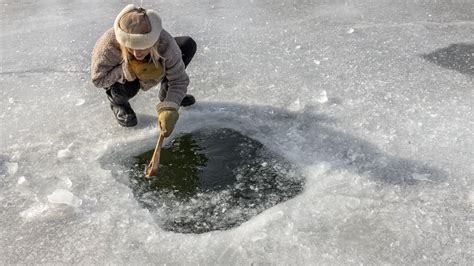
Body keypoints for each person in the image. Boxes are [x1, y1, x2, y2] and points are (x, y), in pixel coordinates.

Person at [91, 4, 196, 137]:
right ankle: (119, 104)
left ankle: (166, 95)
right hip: (126, 81)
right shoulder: (108, 44)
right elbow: (98, 80)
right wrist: (126, 70)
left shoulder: (165, 43)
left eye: (142, 47)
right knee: (127, 88)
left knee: (187, 44)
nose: (136, 53)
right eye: (130, 47)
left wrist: (170, 106)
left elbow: (179, 79)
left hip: (158, 65)